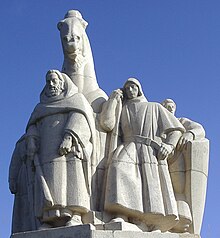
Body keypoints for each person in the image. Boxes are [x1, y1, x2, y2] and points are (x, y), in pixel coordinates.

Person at [100, 78, 185, 232]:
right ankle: (122, 213)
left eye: (133, 87)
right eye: (127, 88)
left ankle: (150, 222)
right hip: (129, 146)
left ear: (139, 89)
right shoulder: (122, 109)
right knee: (118, 168)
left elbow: (176, 129)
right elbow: (107, 124)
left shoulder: (154, 107)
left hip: (149, 150)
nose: (130, 90)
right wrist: (113, 99)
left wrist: (169, 145)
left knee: (150, 188)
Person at [25, 70, 96, 229]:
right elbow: (32, 127)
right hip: (45, 151)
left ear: (62, 83)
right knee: (48, 184)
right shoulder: (40, 107)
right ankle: (49, 220)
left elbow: (80, 117)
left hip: (67, 151)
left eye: (54, 81)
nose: (51, 84)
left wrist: (69, 137)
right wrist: (31, 140)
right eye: (48, 81)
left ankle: (75, 215)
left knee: (71, 181)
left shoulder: (76, 100)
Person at [161, 98, 205, 232]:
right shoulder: (159, 124)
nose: (170, 109)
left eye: (172, 107)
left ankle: (182, 218)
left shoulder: (180, 121)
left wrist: (190, 133)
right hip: (159, 162)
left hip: (177, 161)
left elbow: (199, 129)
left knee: (177, 189)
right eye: (166, 107)